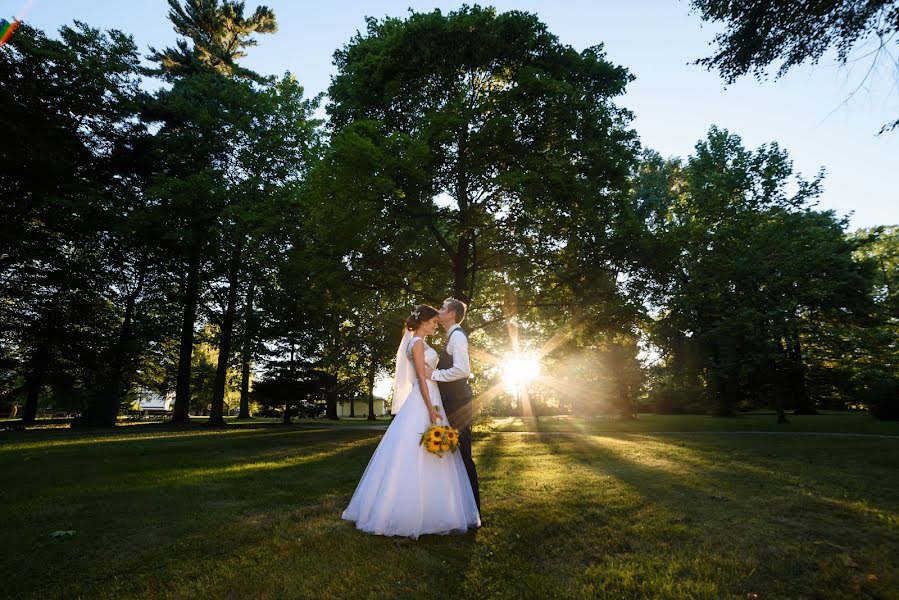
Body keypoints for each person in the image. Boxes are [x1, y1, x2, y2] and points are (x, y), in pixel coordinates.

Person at [341, 304, 480, 539]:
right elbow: (421, 380)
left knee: (441, 454)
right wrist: (430, 409)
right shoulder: (416, 343)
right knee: (418, 452)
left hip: (434, 398)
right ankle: (413, 511)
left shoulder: (424, 342)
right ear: (424, 321)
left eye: (439, 319)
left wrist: (433, 392)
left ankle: (440, 508)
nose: (436, 323)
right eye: (433, 321)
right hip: (426, 400)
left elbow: (431, 375)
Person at [427, 297, 481, 512]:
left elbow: (462, 370)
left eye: (442, 308)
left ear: (451, 314)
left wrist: (434, 374)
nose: (438, 312)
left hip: (458, 404)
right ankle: (455, 507)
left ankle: (473, 510)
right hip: (452, 402)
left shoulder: (457, 337)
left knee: (463, 454)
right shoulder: (451, 337)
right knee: (452, 453)